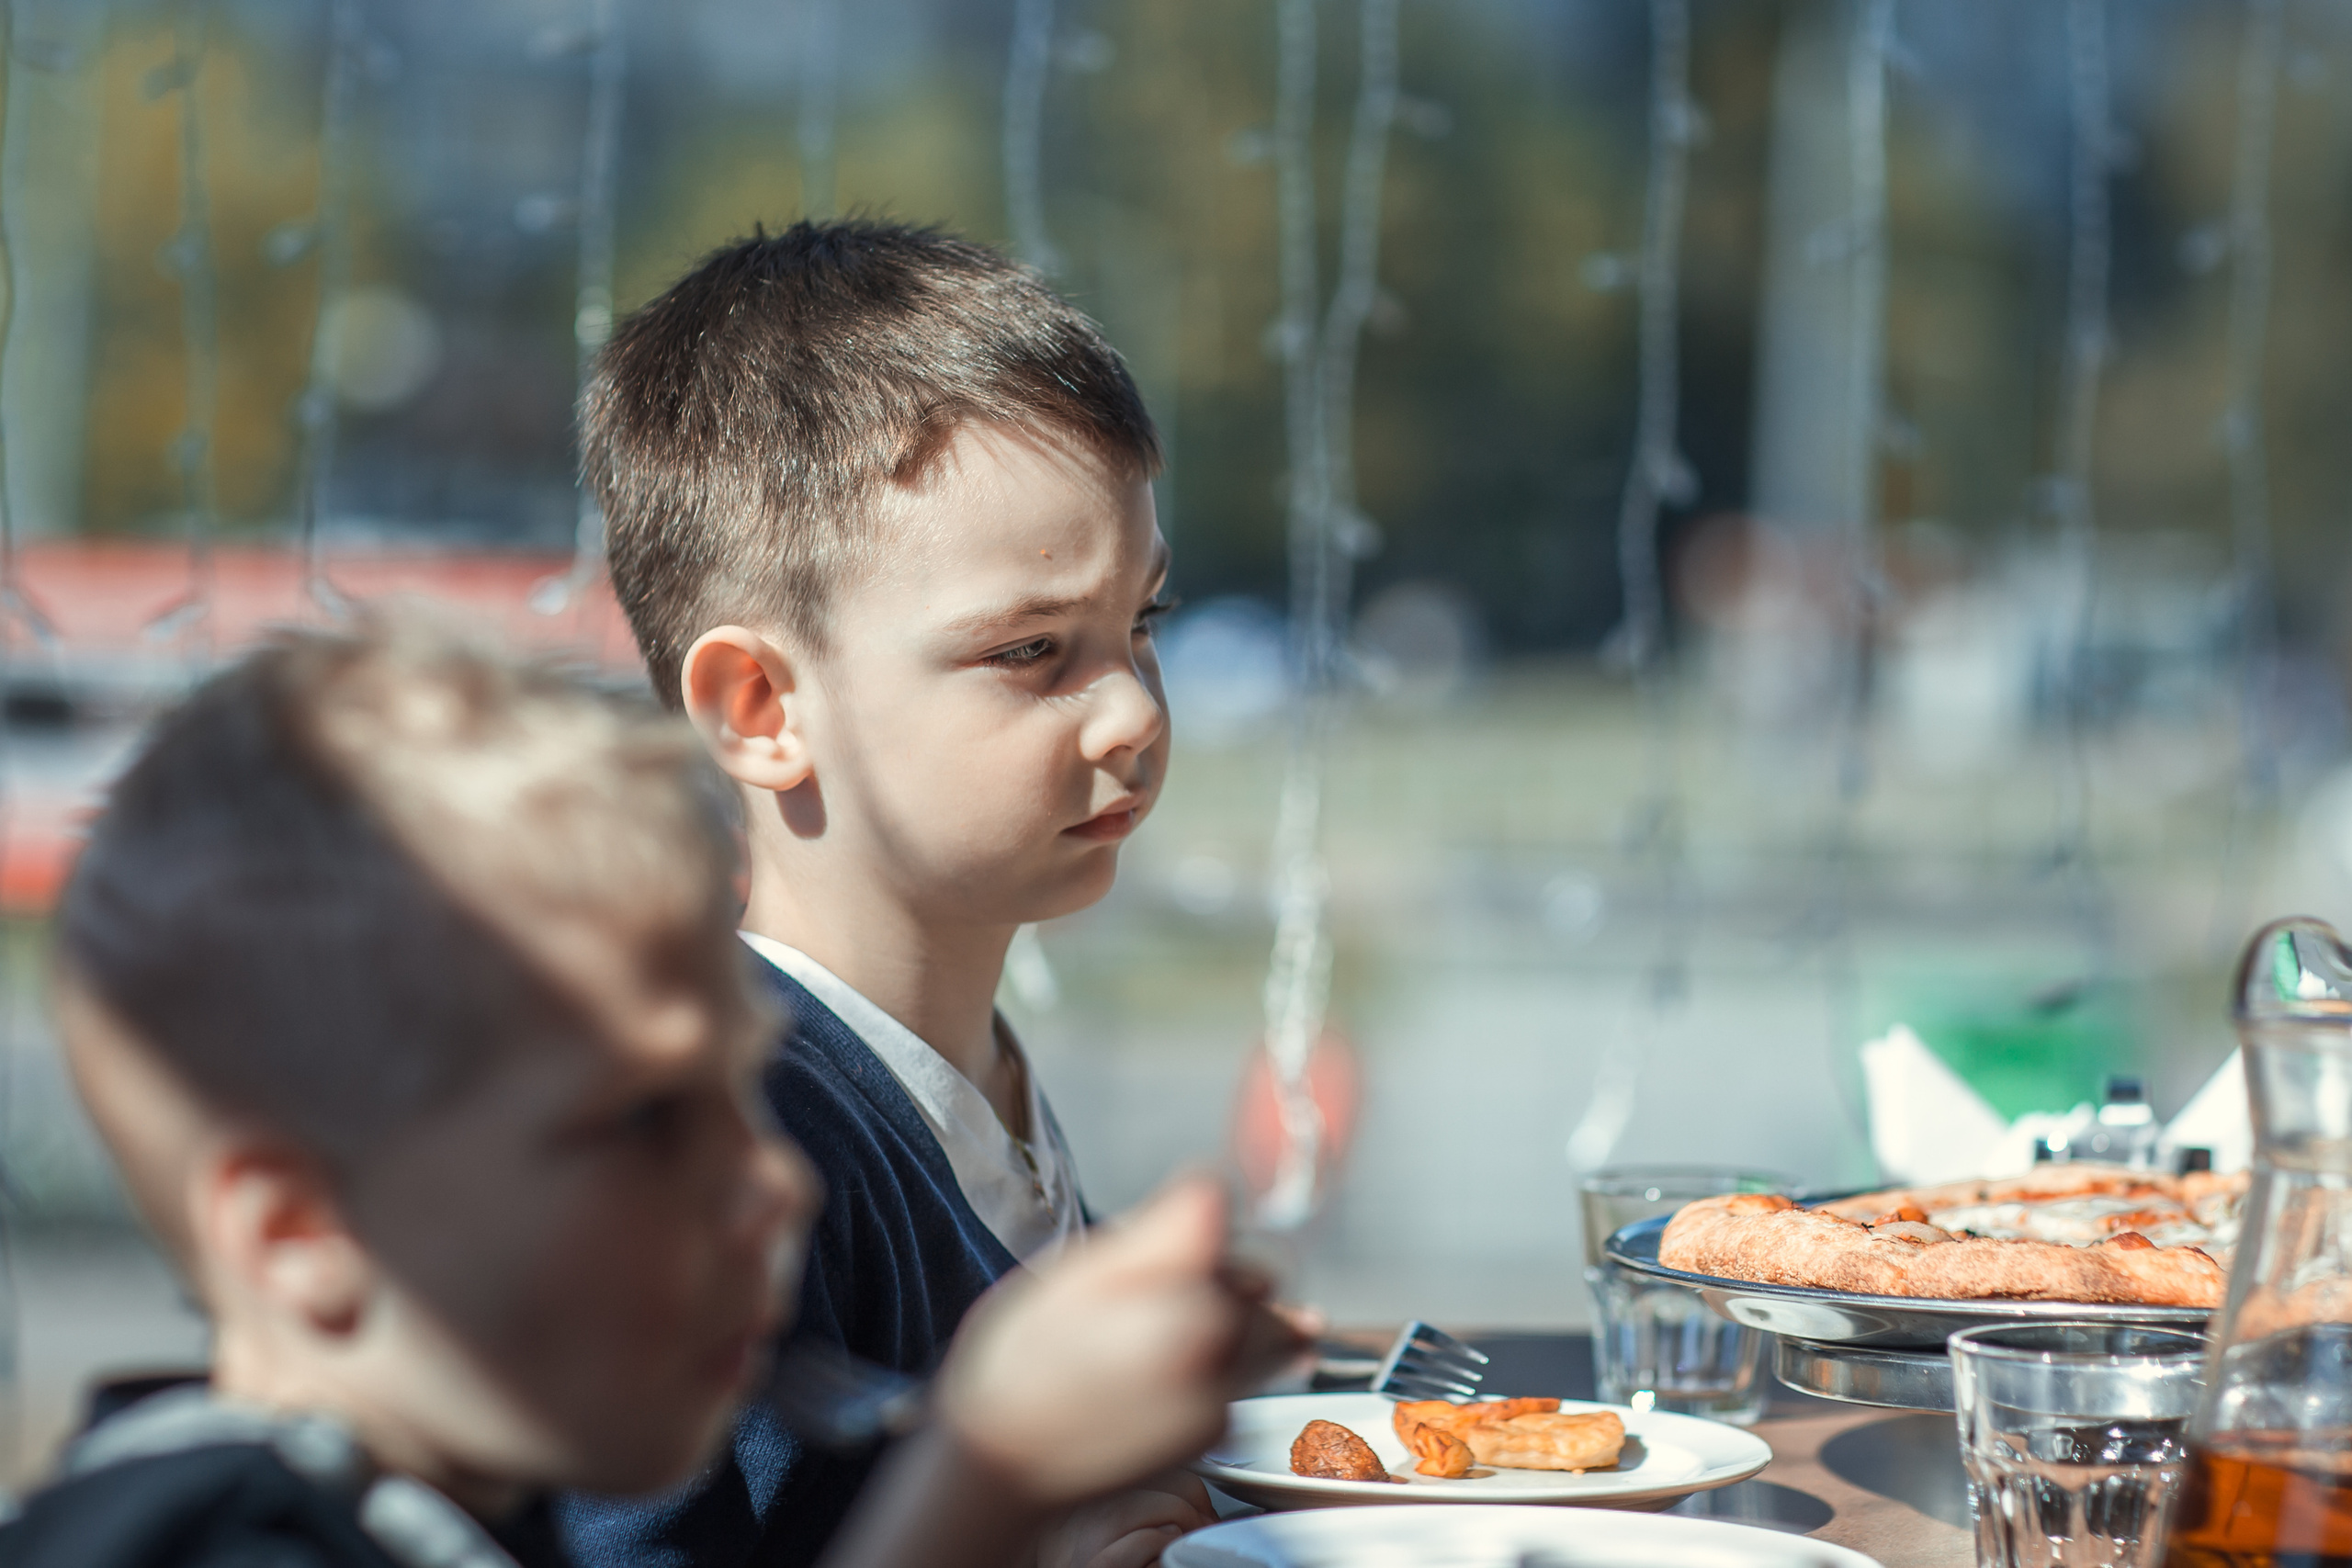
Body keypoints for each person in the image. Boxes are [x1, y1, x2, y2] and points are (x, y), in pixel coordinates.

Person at [0, 621, 1296, 1568]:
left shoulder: (471, 1496)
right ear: (299, 1234)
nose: (777, 1179)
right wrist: (985, 1476)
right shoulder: (215, 1547)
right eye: (647, 1120)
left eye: (739, 1086)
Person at [566, 220, 1216, 1568]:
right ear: (761, 707)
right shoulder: (735, 1142)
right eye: (1031, 651)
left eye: (1141, 623)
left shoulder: (961, 1070)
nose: (1134, 715)